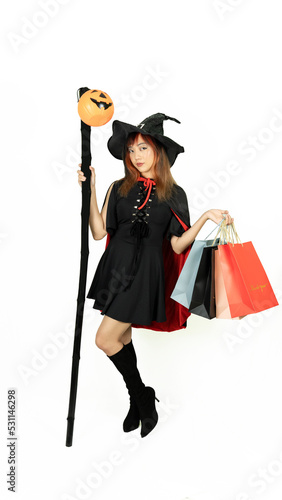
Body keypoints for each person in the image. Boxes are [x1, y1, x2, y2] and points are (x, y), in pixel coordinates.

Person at [77, 113, 233, 438]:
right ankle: (140, 399)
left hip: (144, 275)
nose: (136, 157)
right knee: (120, 338)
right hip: (115, 270)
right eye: (131, 150)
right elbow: (96, 230)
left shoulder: (175, 195)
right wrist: (89, 190)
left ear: (158, 152)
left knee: (103, 339)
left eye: (143, 149)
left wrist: (204, 218)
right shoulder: (117, 188)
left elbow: (176, 247)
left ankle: (142, 398)